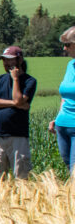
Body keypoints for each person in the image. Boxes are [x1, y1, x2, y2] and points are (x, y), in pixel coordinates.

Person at [0, 46, 36, 180]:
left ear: (19, 60)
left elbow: (19, 99)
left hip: (18, 135)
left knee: (21, 177)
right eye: (4, 60)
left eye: (10, 60)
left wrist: (15, 79)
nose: (6, 64)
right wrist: (14, 104)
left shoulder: (29, 81)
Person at [49, 26, 75, 171]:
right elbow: (64, 96)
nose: (64, 48)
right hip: (62, 125)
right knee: (69, 167)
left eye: (68, 45)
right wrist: (58, 117)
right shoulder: (70, 66)